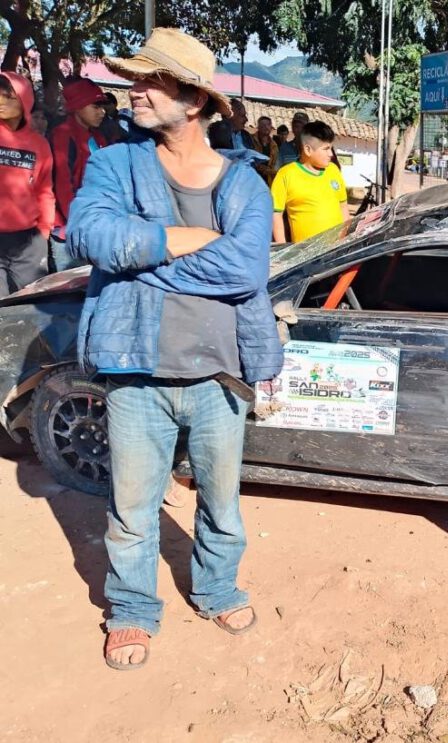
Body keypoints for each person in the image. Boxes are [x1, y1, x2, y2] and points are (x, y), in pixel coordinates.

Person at [65, 27, 283, 671]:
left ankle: (216, 588)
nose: (133, 90)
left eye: (149, 80)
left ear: (193, 100)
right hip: (137, 370)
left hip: (220, 374)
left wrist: (140, 255)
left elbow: (246, 272)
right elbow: (87, 234)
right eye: (134, 78)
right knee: (132, 508)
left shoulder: (243, 183)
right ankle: (131, 609)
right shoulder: (116, 163)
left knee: (221, 502)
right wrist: (184, 238)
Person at [0, 72, 54, 296]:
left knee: (33, 305)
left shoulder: (39, 144)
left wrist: (44, 231)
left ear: (25, 102)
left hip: (29, 242)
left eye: (9, 97)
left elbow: (44, 191)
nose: (1, 102)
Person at [271, 121, 349, 244]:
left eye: (331, 148)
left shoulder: (333, 170)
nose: (331, 154)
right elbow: (276, 215)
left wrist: (344, 239)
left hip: (336, 252)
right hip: (306, 255)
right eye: (326, 149)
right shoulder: (286, 174)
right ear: (308, 150)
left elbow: (343, 206)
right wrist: (282, 247)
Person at [50, 77, 107, 236]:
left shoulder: (98, 137)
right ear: (77, 107)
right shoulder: (63, 135)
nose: (102, 112)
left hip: (92, 219)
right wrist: (75, 221)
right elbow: (63, 183)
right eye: (95, 106)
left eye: (102, 107)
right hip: (69, 224)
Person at [252, 115, 278, 184]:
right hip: (252, 178)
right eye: (263, 125)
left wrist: (267, 170)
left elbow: (275, 165)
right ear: (258, 127)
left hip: (267, 181)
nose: (266, 127)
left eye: (268, 125)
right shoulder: (251, 139)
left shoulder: (274, 145)